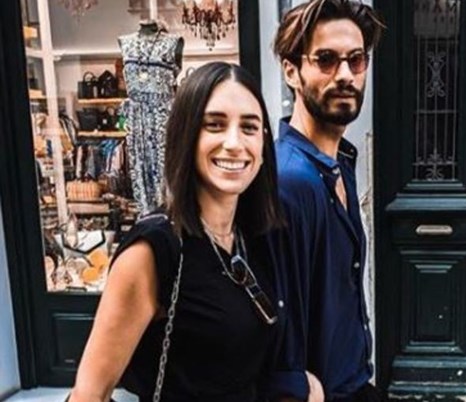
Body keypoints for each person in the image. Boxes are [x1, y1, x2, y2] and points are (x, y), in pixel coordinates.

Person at [68, 62, 289, 402]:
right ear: (187, 136)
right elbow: (89, 395)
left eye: (249, 127)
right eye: (214, 125)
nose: (234, 143)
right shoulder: (154, 250)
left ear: (263, 145)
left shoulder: (250, 237)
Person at [269, 0, 385, 400]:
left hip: (353, 382)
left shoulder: (340, 163)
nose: (346, 75)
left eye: (356, 60)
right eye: (326, 60)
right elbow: (277, 318)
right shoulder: (290, 181)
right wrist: (297, 388)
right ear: (291, 71)